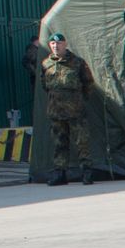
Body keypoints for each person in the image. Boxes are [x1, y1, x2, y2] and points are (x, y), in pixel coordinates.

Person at [37, 31, 95, 187]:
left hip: (75, 111)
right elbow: (44, 85)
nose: (56, 46)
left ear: (65, 44)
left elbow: (88, 83)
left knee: (82, 142)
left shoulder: (77, 63)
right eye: (53, 43)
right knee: (59, 143)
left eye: (59, 43)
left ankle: (86, 172)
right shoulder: (46, 64)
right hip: (56, 111)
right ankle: (60, 174)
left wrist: (78, 100)